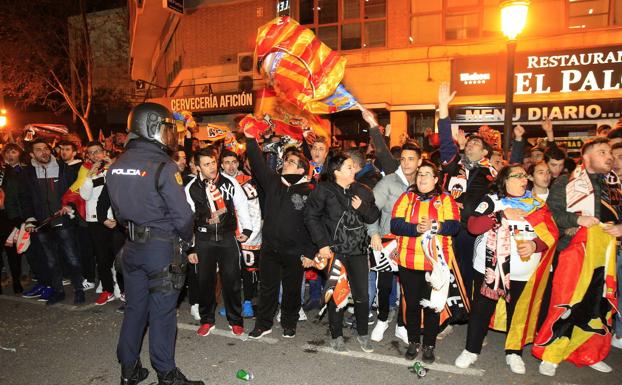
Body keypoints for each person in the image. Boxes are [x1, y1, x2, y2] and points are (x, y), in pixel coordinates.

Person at [106, 103, 203, 385]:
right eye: (165, 128)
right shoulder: (163, 166)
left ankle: (129, 370)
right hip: (160, 249)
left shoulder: (117, 166)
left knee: (136, 309)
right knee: (162, 314)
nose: (170, 134)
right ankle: (167, 375)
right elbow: (183, 216)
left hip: (132, 247)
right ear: (150, 127)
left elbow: (119, 213)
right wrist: (186, 240)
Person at [455, 164, 557, 375]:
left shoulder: (537, 205)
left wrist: (535, 245)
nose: (523, 179)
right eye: (517, 176)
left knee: (518, 313)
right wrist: (500, 215)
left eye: (524, 176)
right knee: (481, 311)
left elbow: (551, 233)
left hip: (524, 273)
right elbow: (473, 226)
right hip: (489, 269)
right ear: (505, 180)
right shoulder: (492, 200)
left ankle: (514, 352)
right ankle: (471, 350)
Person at [535, 138, 622, 376]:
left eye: (610, 153)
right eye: (602, 152)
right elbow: (551, 215)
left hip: (604, 256)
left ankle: (589, 352)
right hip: (573, 253)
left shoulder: (614, 185)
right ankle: (552, 354)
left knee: (598, 306)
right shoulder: (566, 181)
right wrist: (577, 220)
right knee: (567, 304)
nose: (609, 157)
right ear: (586, 157)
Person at [243, 129, 316, 340]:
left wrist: (310, 252)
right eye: (285, 160)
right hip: (270, 249)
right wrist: (250, 138)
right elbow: (257, 163)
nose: (286, 163)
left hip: (295, 251)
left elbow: (315, 224)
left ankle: (289, 322)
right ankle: (263, 324)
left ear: (302, 169)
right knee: (267, 288)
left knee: (292, 290)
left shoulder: (310, 189)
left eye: (291, 161)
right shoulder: (274, 182)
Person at [305, 152, 381, 353]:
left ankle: (363, 333)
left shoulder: (362, 190)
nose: (354, 169)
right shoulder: (324, 190)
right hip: (335, 251)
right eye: (349, 166)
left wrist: (363, 207)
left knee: (362, 294)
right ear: (336, 171)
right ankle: (336, 334)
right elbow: (311, 217)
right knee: (336, 294)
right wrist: (322, 244)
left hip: (357, 251)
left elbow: (374, 215)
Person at [390, 160, 462, 363]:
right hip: (409, 262)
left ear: (436, 179)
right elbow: (395, 224)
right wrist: (416, 230)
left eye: (427, 174)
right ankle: (414, 341)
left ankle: (429, 344)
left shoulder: (446, 199)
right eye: (420, 173)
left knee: (433, 307)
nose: (422, 177)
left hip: (436, 265)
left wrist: (436, 226)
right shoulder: (406, 197)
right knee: (411, 305)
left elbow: (455, 227)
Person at [184, 147, 252, 338]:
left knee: (232, 281)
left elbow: (242, 205)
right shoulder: (191, 188)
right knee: (205, 282)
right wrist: (190, 247)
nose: (212, 167)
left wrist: (246, 230)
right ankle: (207, 320)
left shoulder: (229, 183)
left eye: (213, 162)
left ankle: (236, 321)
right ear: (197, 167)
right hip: (204, 240)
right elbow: (187, 219)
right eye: (206, 164)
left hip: (227, 238)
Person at [437, 83, 496, 298]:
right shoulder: (454, 166)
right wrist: (444, 110)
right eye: (468, 144)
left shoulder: (492, 174)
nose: (470, 146)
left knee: (471, 272)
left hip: (474, 231)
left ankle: (470, 310)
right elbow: (445, 143)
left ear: (485, 151)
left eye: (475, 144)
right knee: (448, 271)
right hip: (450, 226)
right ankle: (449, 314)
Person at [367, 142, 421, 344]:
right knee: (385, 285)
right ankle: (382, 320)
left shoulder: (424, 183)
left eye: (411, 159)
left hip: (414, 244)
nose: (406, 163)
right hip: (387, 240)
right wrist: (374, 233)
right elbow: (371, 210)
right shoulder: (388, 182)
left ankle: (401, 325)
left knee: (409, 287)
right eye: (404, 158)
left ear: (420, 161)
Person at [19, 138, 84, 305]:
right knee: (51, 260)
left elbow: (75, 191)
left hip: (63, 222)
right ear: (32, 154)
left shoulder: (64, 169)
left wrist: (69, 206)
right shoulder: (27, 173)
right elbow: (25, 198)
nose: (44, 152)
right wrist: (30, 219)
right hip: (41, 224)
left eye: (46, 148)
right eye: (39, 149)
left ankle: (79, 290)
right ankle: (58, 291)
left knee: (72, 258)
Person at [220, 149, 262, 318]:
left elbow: (255, 210)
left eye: (234, 162)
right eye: (227, 162)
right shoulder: (215, 182)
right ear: (221, 164)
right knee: (228, 271)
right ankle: (232, 303)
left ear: (238, 164)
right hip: (224, 235)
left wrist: (250, 233)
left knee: (248, 269)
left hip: (246, 235)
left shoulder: (247, 182)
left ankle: (247, 303)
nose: (231, 166)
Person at [79, 141, 119, 305]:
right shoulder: (88, 172)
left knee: (120, 257)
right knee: (102, 258)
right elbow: (85, 196)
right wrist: (90, 175)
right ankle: (107, 290)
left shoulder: (116, 169)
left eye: (98, 151)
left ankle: (122, 289)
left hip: (116, 220)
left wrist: (112, 168)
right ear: (88, 156)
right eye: (91, 153)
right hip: (95, 221)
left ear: (104, 152)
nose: (96, 155)